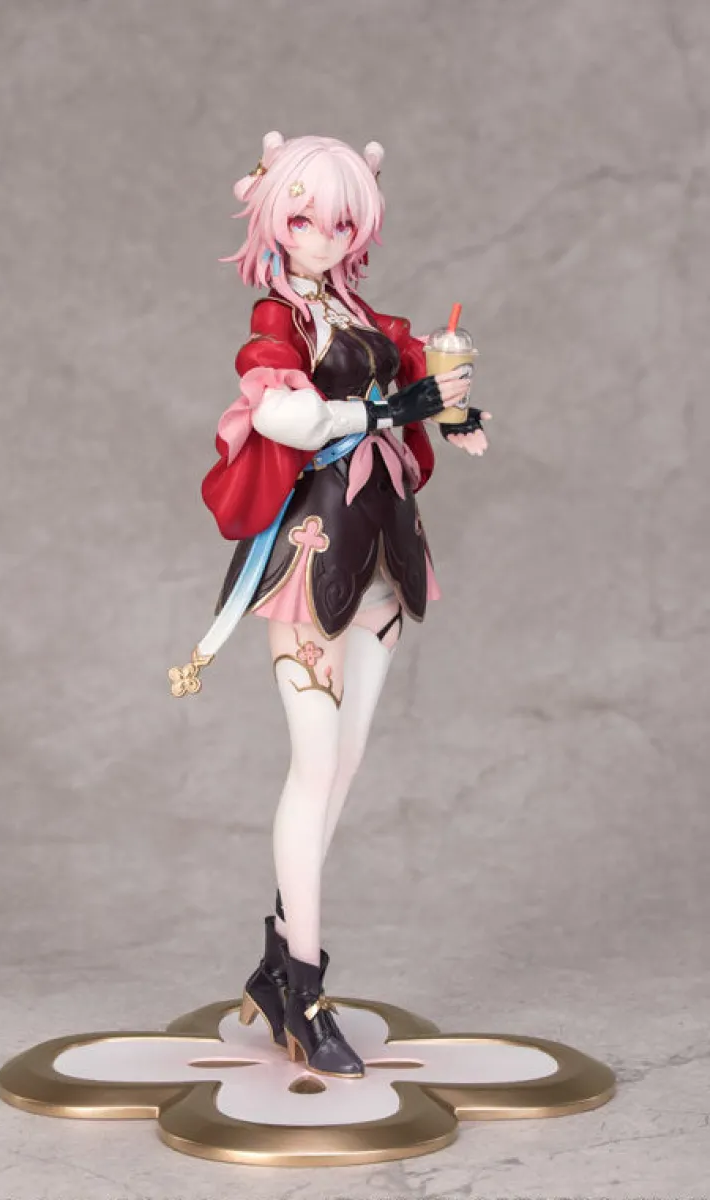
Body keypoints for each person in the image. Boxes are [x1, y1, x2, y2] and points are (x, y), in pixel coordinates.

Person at [179, 131, 491, 1078]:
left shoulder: (354, 310)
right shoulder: (277, 319)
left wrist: (450, 404)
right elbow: (287, 416)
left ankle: (279, 963)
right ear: (275, 218)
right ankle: (305, 989)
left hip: (383, 549)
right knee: (314, 769)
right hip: (313, 559)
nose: (323, 236)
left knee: (345, 766)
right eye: (306, 218)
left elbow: (417, 364)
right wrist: (390, 411)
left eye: (343, 221)